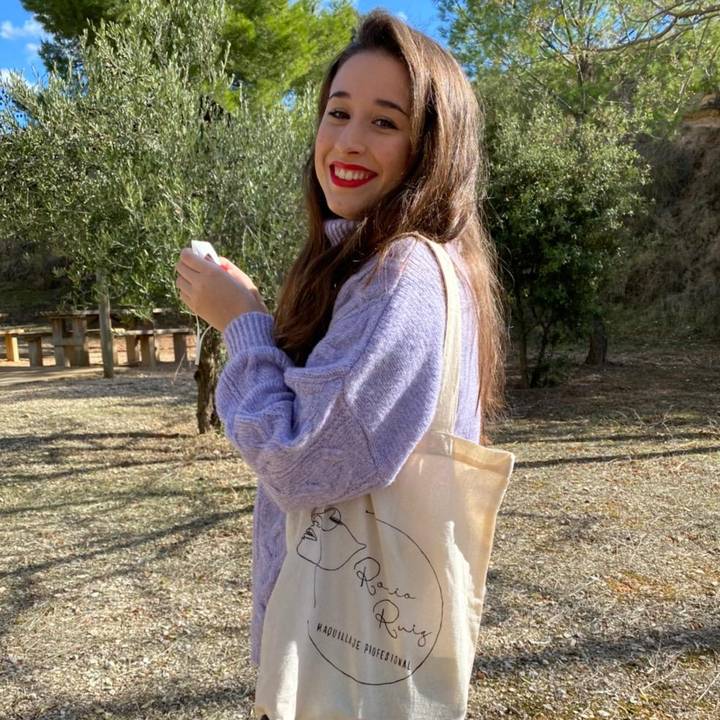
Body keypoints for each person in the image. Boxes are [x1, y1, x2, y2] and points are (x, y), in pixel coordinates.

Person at [175, 8, 506, 714]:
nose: (348, 140)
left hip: (345, 660)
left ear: (431, 147)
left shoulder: (403, 274)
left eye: (385, 121)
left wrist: (243, 324)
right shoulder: (408, 265)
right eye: (338, 111)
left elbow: (301, 462)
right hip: (355, 642)